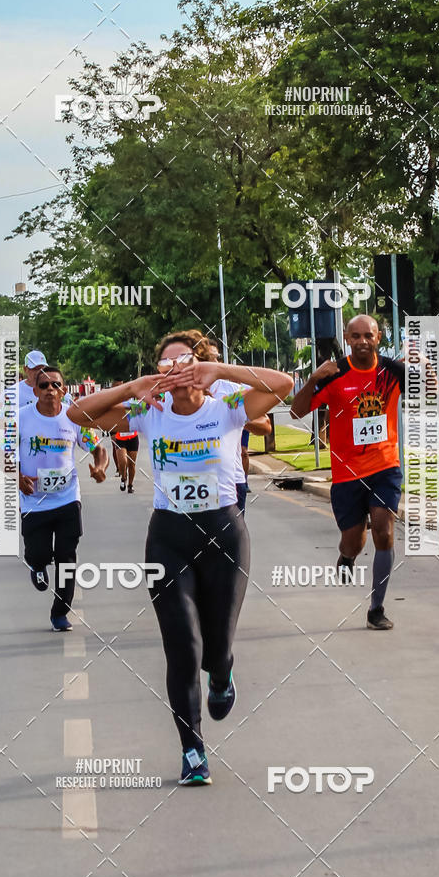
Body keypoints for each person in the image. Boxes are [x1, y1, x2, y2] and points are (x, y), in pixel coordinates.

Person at [68, 330, 293, 785]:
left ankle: (223, 672)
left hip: (224, 536)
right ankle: (193, 751)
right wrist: (133, 388)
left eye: (184, 363)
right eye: (165, 366)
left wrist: (221, 371)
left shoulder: (227, 409)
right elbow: (79, 415)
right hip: (168, 540)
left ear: (201, 366)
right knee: (183, 648)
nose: (174, 372)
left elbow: (283, 384)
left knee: (216, 647)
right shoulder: (148, 413)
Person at [291, 314, 404, 630]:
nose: (362, 341)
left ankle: (376, 609)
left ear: (378, 337)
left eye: (368, 335)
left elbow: (429, 395)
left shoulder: (393, 371)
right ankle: (347, 557)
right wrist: (313, 380)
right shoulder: (334, 373)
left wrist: (426, 369)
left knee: (384, 528)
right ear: (347, 337)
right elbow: (297, 411)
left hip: (385, 467)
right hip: (347, 474)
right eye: (355, 336)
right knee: (353, 541)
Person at [18, 367, 108, 631]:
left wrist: (100, 467)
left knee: (66, 557)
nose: (49, 390)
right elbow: (2, 453)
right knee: (39, 553)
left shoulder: (74, 418)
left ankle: (60, 612)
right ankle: (36, 565)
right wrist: (15, 477)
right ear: (35, 390)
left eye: (55, 385)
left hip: (68, 499)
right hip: (33, 501)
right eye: (43, 385)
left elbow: (98, 448)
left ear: (64, 389)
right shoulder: (21, 418)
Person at [205, 337, 272, 514]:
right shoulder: (178, 394)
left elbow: (265, 425)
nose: (212, 363)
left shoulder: (232, 391)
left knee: (231, 539)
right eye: (205, 358)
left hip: (230, 481)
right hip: (193, 482)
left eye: (214, 357)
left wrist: (233, 414)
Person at [112, 428, 139, 493]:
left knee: (131, 464)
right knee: (122, 461)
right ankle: (123, 478)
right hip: (120, 439)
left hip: (133, 438)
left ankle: (130, 485)